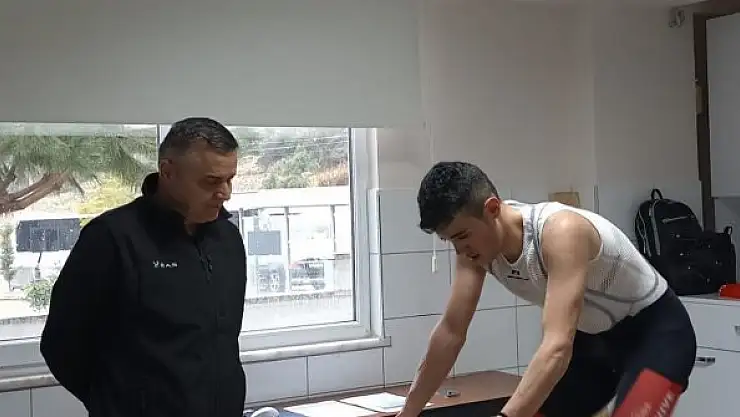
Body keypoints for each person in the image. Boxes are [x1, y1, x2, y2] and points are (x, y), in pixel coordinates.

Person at [397, 161, 697, 417]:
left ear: (492, 209)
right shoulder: (472, 253)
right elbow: (450, 333)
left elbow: (557, 345)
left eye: (463, 236)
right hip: (594, 343)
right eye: (450, 241)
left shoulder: (560, 232)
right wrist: (408, 414)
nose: (460, 250)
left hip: (655, 334)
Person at [41, 117, 248, 417]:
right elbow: (61, 344)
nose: (225, 192)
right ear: (168, 172)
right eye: (211, 181)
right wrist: (118, 404)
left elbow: (221, 340)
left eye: (230, 179)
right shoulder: (112, 238)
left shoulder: (227, 239)